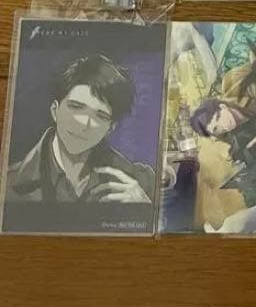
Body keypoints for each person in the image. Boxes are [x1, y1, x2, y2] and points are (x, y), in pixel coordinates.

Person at [6, 55, 154, 205]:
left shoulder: (141, 182)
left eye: (101, 115)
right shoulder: (8, 184)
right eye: (76, 107)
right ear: (55, 110)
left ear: (110, 128)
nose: (84, 124)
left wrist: (144, 207)